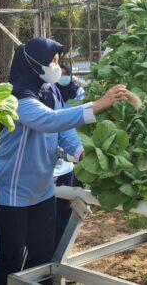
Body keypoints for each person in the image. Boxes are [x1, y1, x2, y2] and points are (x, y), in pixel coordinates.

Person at [0, 37, 129, 285]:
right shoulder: (16, 97)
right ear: (33, 63)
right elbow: (50, 120)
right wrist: (99, 105)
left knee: (41, 258)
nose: (56, 67)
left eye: (58, 61)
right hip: (10, 192)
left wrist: (81, 153)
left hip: (42, 190)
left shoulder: (49, 91)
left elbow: (64, 130)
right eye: (51, 61)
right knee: (10, 262)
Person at [53, 64, 86, 245]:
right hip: (48, 169)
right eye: (60, 74)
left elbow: (68, 129)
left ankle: (60, 248)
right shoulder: (48, 96)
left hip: (68, 164)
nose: (62, 77)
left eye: (66, 74)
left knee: (64, 210)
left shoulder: (77, 93)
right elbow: (54, 121)